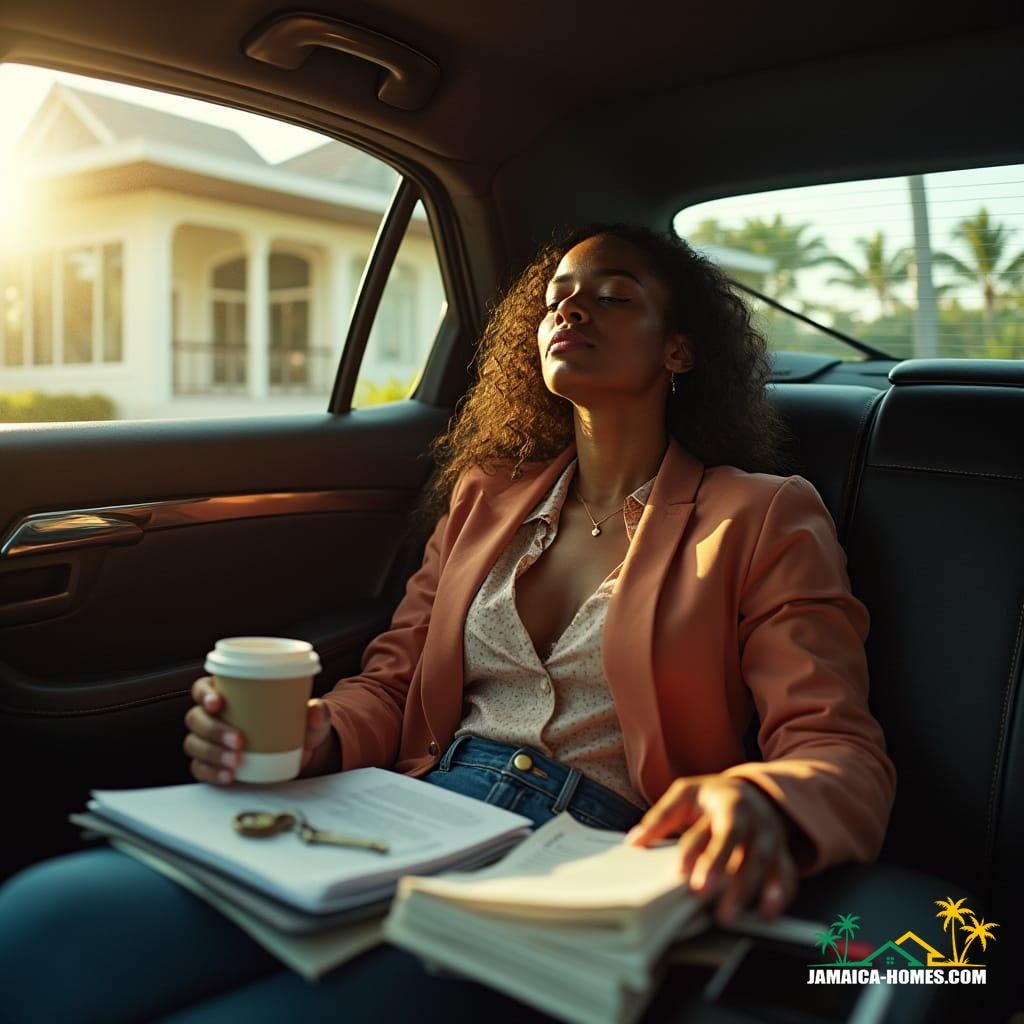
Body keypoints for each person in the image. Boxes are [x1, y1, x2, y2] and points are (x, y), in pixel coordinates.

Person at [0, 223, 896, 1023]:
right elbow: (391, 683)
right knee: (43, 925)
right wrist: (314, 733)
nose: (571, 308)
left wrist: (763, 800)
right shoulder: (485, 499)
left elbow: (837, 747)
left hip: (582, 861)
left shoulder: (762, 513)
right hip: (405, 813)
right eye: (557, 296)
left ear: (679, 351)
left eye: (612, 294)